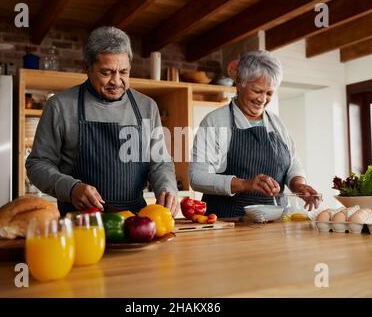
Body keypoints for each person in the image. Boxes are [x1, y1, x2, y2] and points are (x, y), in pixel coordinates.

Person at [26, 26, 178, 215]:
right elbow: (37, 164)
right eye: (106, 73)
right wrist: (71, 188)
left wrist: (167, 188)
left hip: (137, 222)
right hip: (80, 223)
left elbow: (160, 161)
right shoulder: (60, 106)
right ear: (87, 68)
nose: (116, 81)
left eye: (123, 72)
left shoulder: (147, 106)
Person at [188, 50, 320, 218]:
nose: (263, 99)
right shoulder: (215, 122)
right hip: (227, 225)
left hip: (275, 224)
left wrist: (299, 185)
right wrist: (244, 184)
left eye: (269, 93)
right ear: (240, 82)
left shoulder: (277, 124)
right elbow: (197, 177)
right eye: (257, 91)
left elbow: (293, 163)